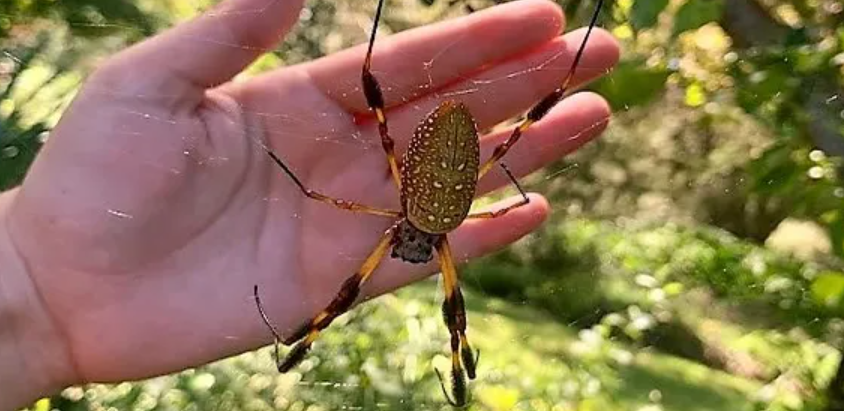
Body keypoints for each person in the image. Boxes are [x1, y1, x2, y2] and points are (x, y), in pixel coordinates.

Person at [0, 0, 619, 409]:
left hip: (437, 167)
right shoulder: (432, 229)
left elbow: (341, 219)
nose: (411, 253)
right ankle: (435, 370)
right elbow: (346, 246)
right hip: (451, 175)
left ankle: (360, 355)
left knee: (423, 292)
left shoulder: (396, 225)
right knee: (411, 288)